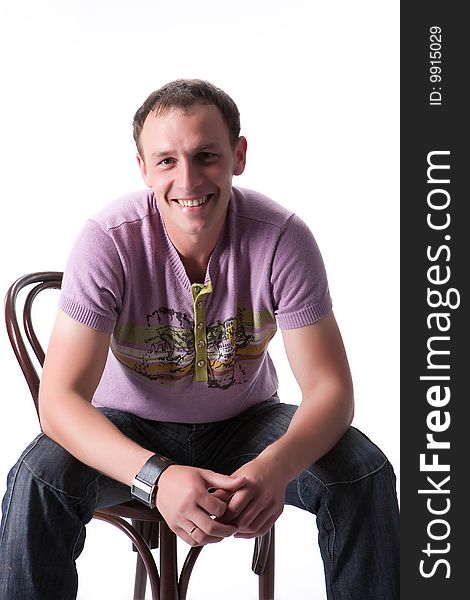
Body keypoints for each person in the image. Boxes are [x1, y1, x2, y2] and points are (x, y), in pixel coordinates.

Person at [0, 78, 399, 599]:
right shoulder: (108, 241)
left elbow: (330, 389)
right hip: (127, 427)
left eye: (206, 155)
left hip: (246, 425)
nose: (187, 180)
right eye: (166, 160)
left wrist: (274, 467)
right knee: (39, 476)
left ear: (239, 155)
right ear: (142, 167)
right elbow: (58, 403)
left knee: (361, 471)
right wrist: (156, 477)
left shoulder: (281, 238)